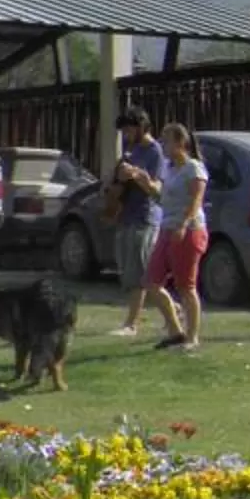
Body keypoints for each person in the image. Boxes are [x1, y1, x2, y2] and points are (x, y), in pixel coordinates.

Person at [145, 122, 210, 352]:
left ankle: (192, 338)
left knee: (186, 286)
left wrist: (184, 224)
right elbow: (164, 200)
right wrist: (147, 185)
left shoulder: (194, 168)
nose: (163, 145)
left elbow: (196, 200)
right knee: (152, 283)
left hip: (189, 231)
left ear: (180, 142)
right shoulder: (170, 169)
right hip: (167, 228)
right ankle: (175, 331)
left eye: (167, 140)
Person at [107, 106, 166, 337]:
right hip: (126, 214)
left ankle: (131, 324)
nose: (126, 135)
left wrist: (137, 175)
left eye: (129, 130)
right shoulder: (130, 149)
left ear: (141, 127)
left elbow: (156, 189)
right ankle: (175, 310)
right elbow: (119, 183)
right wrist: (116, 182)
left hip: (145, 216)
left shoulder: (155, 152)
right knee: (129, 269)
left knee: (140, 274)